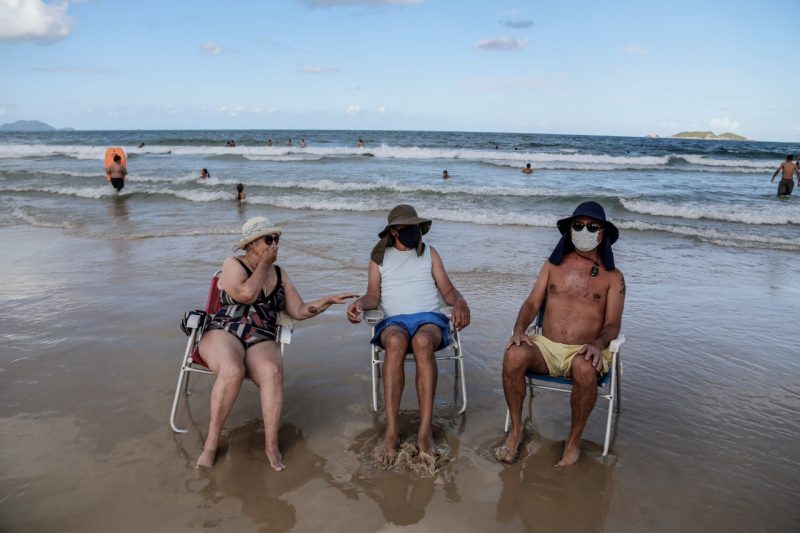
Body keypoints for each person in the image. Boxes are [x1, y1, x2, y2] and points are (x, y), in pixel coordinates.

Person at [196, 216, 358, 470]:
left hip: (260, 334)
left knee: (272, 371)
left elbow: (299, 310)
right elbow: (246, 294)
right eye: (268, 240)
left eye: (277, 240)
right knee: (232, 370)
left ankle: (271, 447)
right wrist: (263, 265)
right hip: (225, 330)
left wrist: (326, 301)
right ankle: (211, 444)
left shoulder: (280, 274)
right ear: (251, 245)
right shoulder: (233, 264)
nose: (275, 246)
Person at [496, 201, 625, 467]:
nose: (584, 231)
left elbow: (613, 324)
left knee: (585, 367)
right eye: (578, 225)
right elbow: (532, 303)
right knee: (513, 354)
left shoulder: (613, 277)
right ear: (569, 230)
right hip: (546, 347)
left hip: (585, 349)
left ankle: (573, 442)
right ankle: (516, 431)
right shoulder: (552, 266)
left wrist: (598, 343)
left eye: (592, 226)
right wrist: (519, 328)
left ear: (602, 233)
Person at [346, 205, 471, 464]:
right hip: (394, 321)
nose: (415, 232)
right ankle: (392, 431)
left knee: (423, 341)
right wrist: (360, 303)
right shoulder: (379, 258)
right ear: (394, 232)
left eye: (417, 227)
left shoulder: (429, 254)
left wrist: (460, 302)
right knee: (394, 341)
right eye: (408, 229)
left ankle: (424, 431)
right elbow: (373, 296)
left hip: (429, 319)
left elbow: (447, 290)